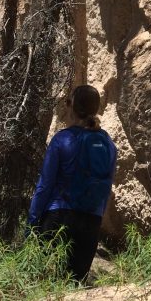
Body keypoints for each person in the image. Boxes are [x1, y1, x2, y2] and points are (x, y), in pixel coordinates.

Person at [27, 84, 117, 283]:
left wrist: (32, 222)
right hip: (91, 223)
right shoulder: (108, 144)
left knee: (45, 287)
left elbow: (44, 186)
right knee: (74, 287)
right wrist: (96, 219)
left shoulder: (62, 140)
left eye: (68, 102)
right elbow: (107, 186)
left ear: (73, 107)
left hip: (59, 218)